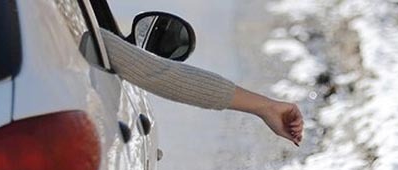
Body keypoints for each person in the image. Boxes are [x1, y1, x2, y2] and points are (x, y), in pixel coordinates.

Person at [97, 29, 304, 146]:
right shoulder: (69, 18)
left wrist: (266, 108)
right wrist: (265, 107)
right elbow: (155, 72)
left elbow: (155, 72)